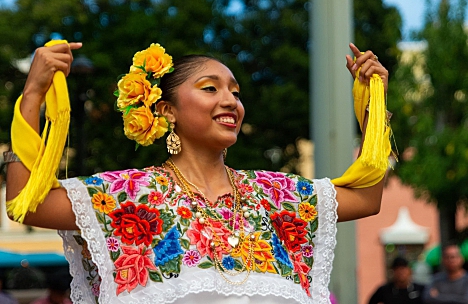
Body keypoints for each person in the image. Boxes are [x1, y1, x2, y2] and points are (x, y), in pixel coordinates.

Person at [5, 40, 390, 304]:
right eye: (210, 88)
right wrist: (35, 92)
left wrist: (374, 105)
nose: (230, 100)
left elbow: (367, 198)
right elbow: (26, 204)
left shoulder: (276, 196)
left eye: (236, 92)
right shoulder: (130, 196)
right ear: (166, 110)